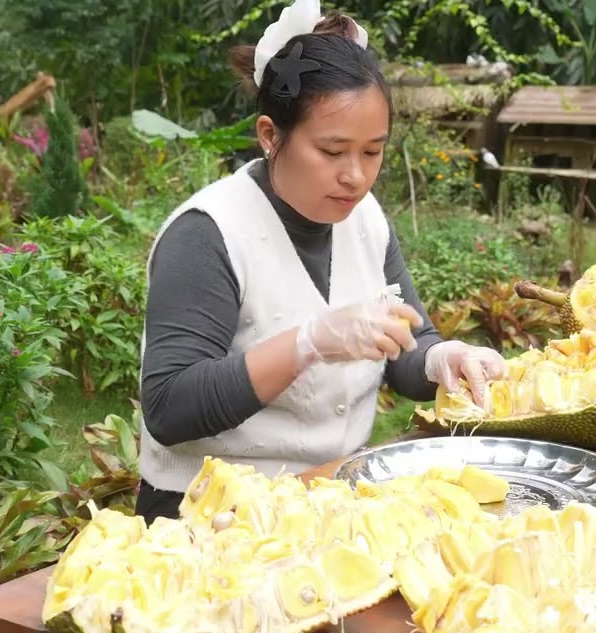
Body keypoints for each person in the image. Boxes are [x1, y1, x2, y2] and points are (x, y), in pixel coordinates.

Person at [133, 0, 508, 523]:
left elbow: (406, 345)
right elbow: (171, 407)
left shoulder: (365, 219)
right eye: (332, 152)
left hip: (329, 496)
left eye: (372, 152)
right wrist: (308, 344)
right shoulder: (208, 234)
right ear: (270, 135)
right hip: (208, 517)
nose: (355, 175)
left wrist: (442, 358)